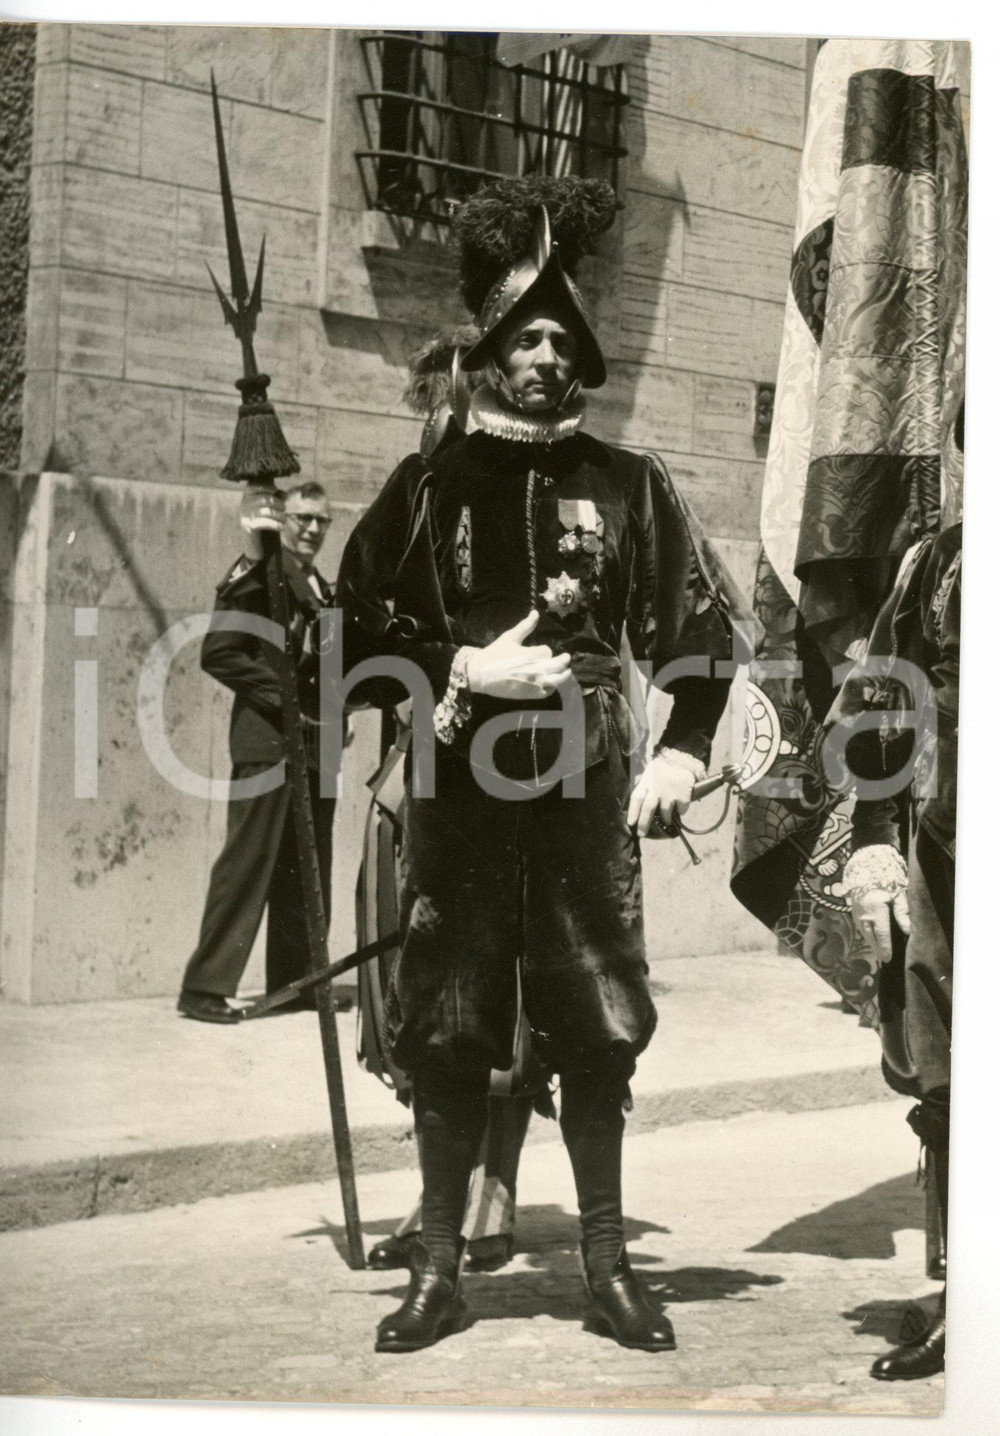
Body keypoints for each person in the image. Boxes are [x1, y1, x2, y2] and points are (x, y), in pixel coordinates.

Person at [335, 176, 746, 1353]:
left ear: (583, 359)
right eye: (528, 334)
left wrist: (677, 745)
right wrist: (458, 670)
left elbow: (703, 629)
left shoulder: (631, 485)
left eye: (566, 337)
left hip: (584, 790)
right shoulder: (427, 485)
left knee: (595, 1017)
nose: (547, 354)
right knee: (450, 1017)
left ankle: (609, 1264)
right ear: (495, 346)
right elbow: (353, 629)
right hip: (457, 790)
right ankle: (440, 1265)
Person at [834, 514, 961, 1382]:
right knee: (951, 1073)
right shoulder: (941, 557)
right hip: (951, 851)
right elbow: (883, 703)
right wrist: (875, 837)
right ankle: (969, 1305)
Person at [178, 481, 337, 1023]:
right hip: (267, 742)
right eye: (302, 518)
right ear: (281, 521)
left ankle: (299, 983)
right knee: (247, 863)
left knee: (308, 868)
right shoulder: (258, 578)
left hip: (318, 748)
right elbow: (218, 653)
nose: (312, 529)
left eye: (322, 521)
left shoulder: (324, 589)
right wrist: (285, 697)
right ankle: (204, 988)